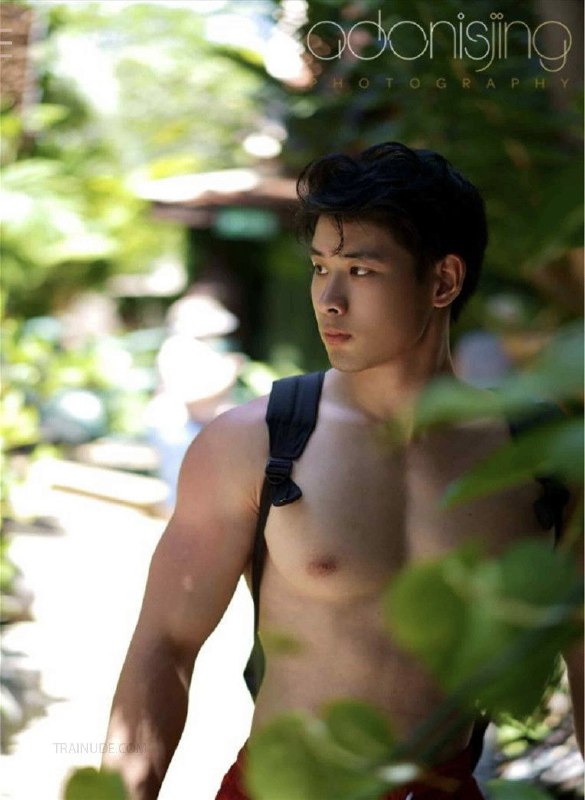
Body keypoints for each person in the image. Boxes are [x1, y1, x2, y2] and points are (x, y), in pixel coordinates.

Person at [102, 142, 583, 799]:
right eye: (320, 267)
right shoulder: (255, 442)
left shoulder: (536, 456)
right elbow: (163, 647)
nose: (328, 299)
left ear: (442, 281)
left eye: (360, 270)